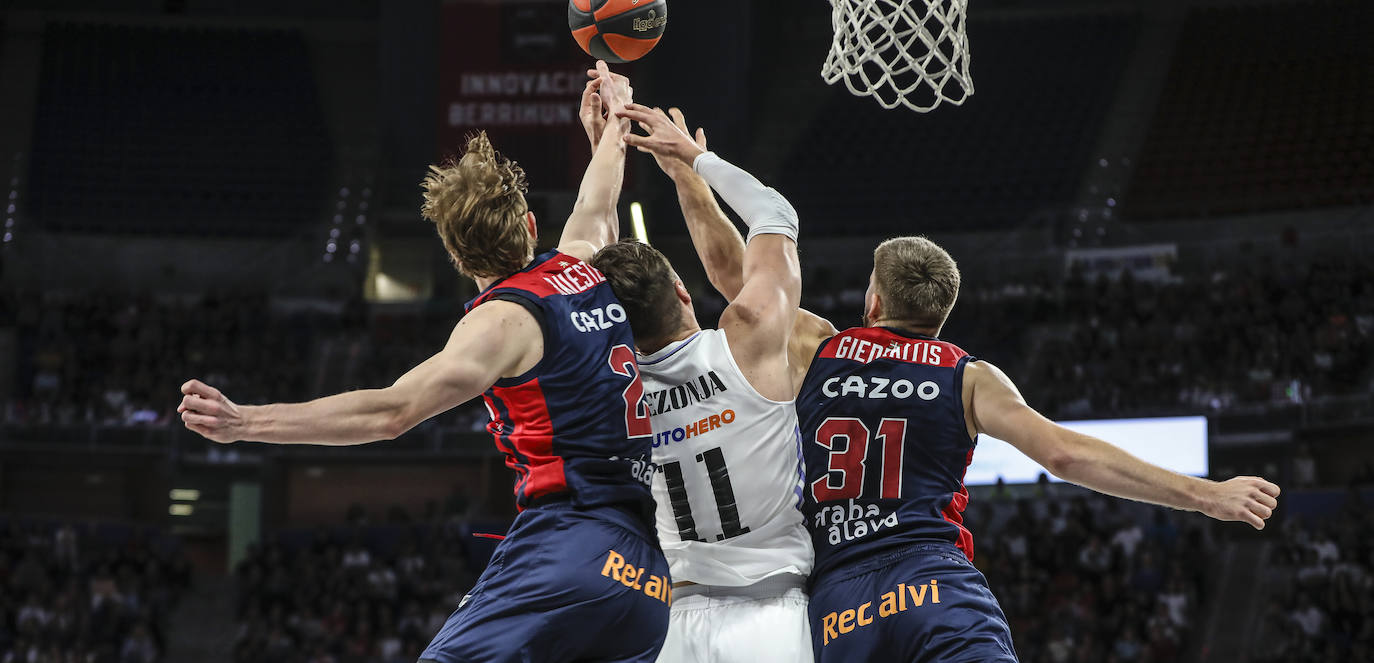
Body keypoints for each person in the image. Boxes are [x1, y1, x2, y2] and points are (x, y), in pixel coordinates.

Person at [177, 62, 672, 663]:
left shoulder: (500, 322)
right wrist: (612, 122)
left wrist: (246, 423)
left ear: (457, 257)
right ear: (533, 225)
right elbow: (600, 199)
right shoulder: (587, 264)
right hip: (647, 577)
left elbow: (391, 411)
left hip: (568, 547)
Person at [676, 233, 1282, 660]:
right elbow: (1064, 455)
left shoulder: (821, 350)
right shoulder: (968, 377)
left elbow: (740, 276)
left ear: (875, 302)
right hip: (935, 585)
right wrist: (1205, 495)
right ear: (939, 315)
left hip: (839, 604)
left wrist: (687, 169)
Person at [588, 105, 812, 663]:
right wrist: (693, 161)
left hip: (668, 622)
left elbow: (581, 284)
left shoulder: (608, 390)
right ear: (684, 294)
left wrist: (604, 154)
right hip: (774, 618)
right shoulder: (749, 337)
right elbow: (774, 214)